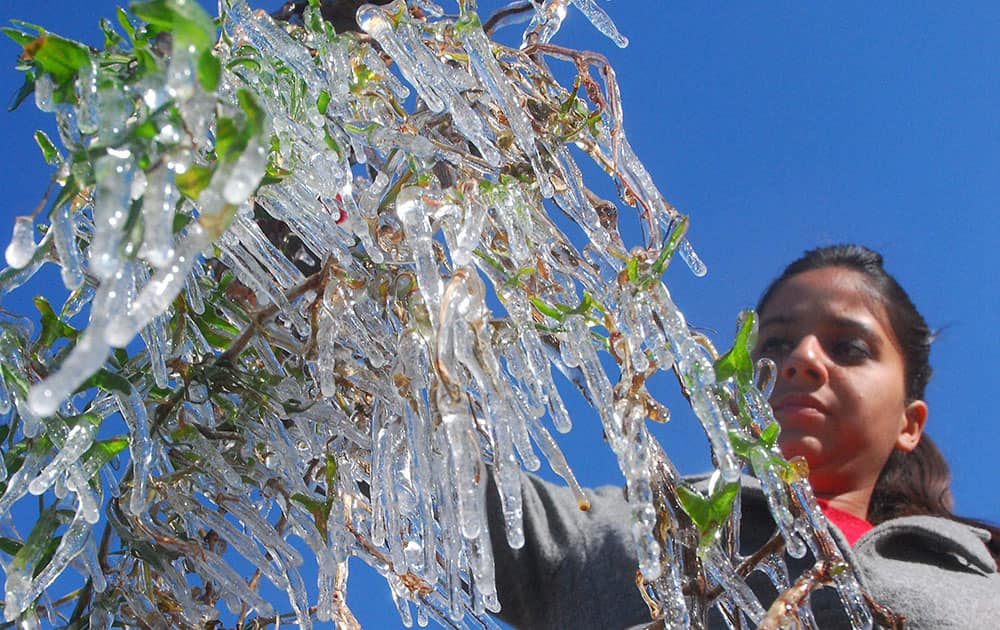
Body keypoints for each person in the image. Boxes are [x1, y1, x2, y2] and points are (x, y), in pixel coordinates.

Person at [487, 244, 1000, 629]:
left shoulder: (983, 581)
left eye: (849, 347)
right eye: (776, 343)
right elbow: (456, 484)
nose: (801, 360)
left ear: (909, 424)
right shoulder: (633, 524)